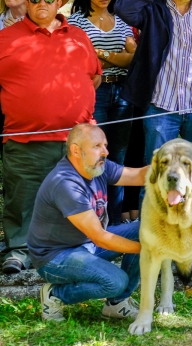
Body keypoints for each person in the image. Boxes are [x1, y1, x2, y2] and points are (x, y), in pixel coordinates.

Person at [115, 0, 192, 258]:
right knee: (154, 179)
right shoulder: (153, 9)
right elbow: (123, 8)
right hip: (160, 107)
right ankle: (154, 243)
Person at [0, 0, 102, 274]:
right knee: (23, 199)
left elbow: (94, 77)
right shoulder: (5, 38)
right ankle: (21, 251)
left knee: (76, 198)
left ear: (59, 2)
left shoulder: (79, 37)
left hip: (76, 142)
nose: (41, 3)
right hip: (25, 140)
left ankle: (75, 250)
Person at [29, 124, 147, 322]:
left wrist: (170, 163)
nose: (105, 151)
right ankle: (55, 294)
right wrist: (147, 249)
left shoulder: (98, 166)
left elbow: (139, 176)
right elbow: (100, 237)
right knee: (116, 281)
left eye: (105, 145)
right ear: (76, 150)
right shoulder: (65, 183)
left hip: (85, 245)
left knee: (144, 230)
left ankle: (116, 304)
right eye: (97, 146)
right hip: (55, 257)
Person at [69, 0, 136, 225]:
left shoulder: (123, 20)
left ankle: (115, 221)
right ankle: (92, 219)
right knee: (93, 156)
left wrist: (99, 54)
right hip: (94, 92)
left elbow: (132, 59)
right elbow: (79, 61)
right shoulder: (76, 21)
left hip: (123, 93)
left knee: (117, 157)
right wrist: (114, 56)